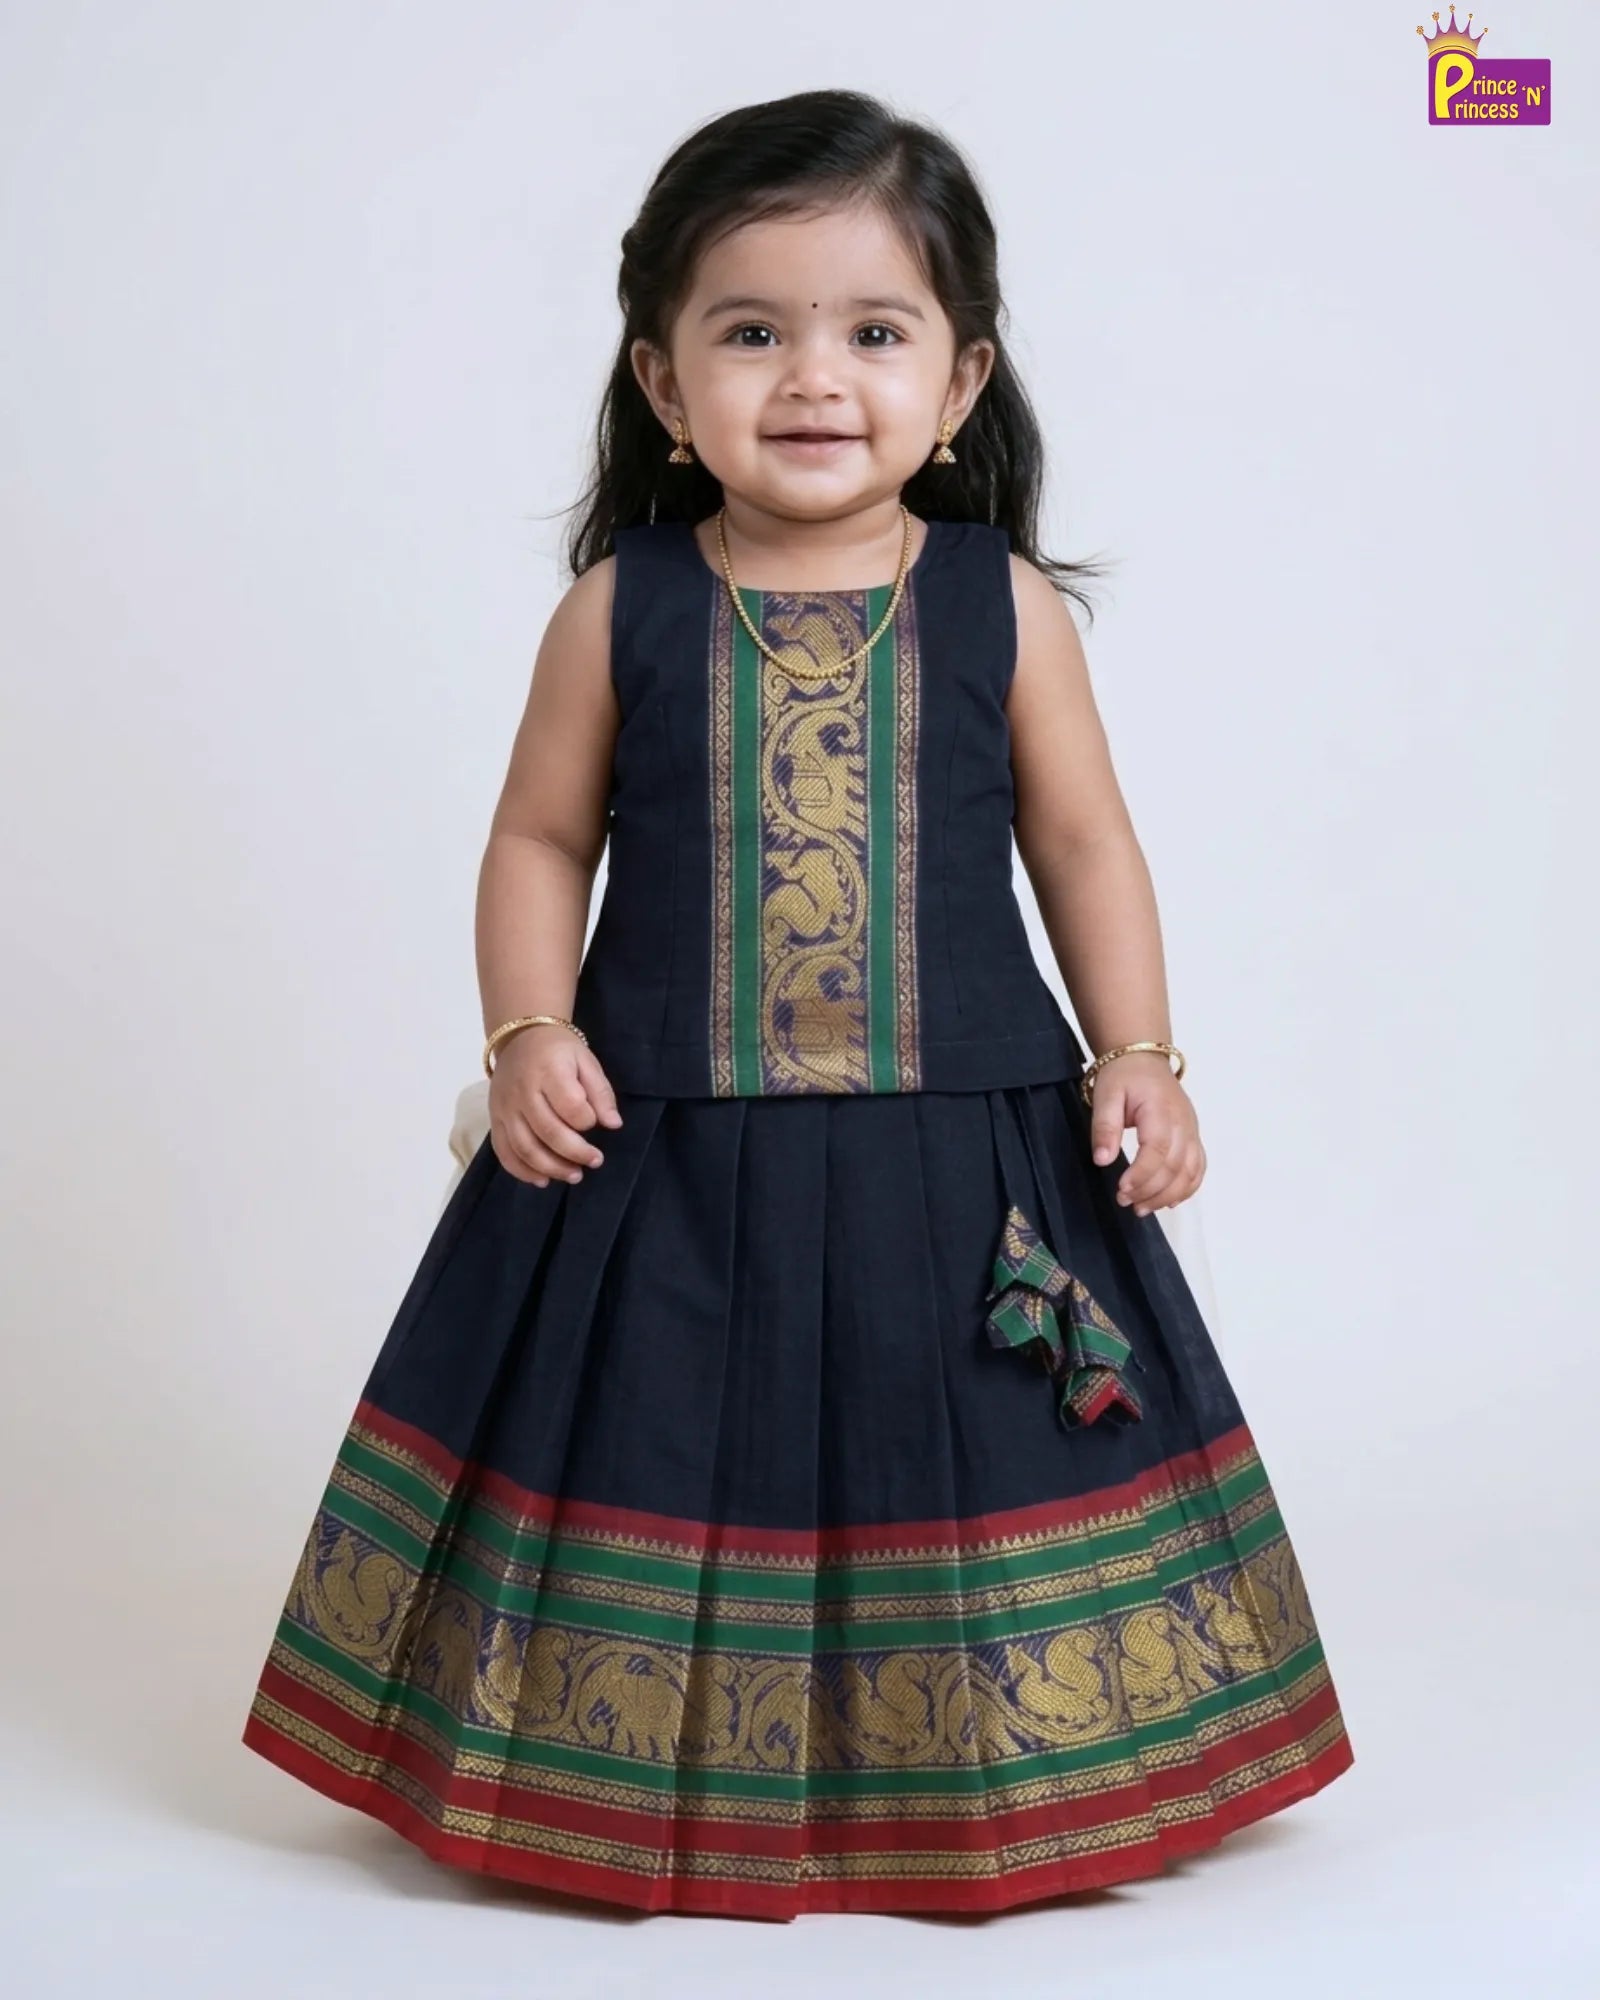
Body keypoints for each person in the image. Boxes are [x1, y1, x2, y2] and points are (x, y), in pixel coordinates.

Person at [241, 87, 1354, 1921]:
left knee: (962, 1450)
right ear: (667, 387)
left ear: (964, 380)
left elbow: (1086, 845)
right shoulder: (622, 608)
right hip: (660, 1160)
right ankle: (620, 1781)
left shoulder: (1005, 608)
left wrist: (1141, 1057)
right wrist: (528, 1036)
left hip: (967, 1151)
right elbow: (535, 839)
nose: (814, 377)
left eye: (874, 332)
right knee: (665, 1437)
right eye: (751, 332)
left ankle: (973, 1784)